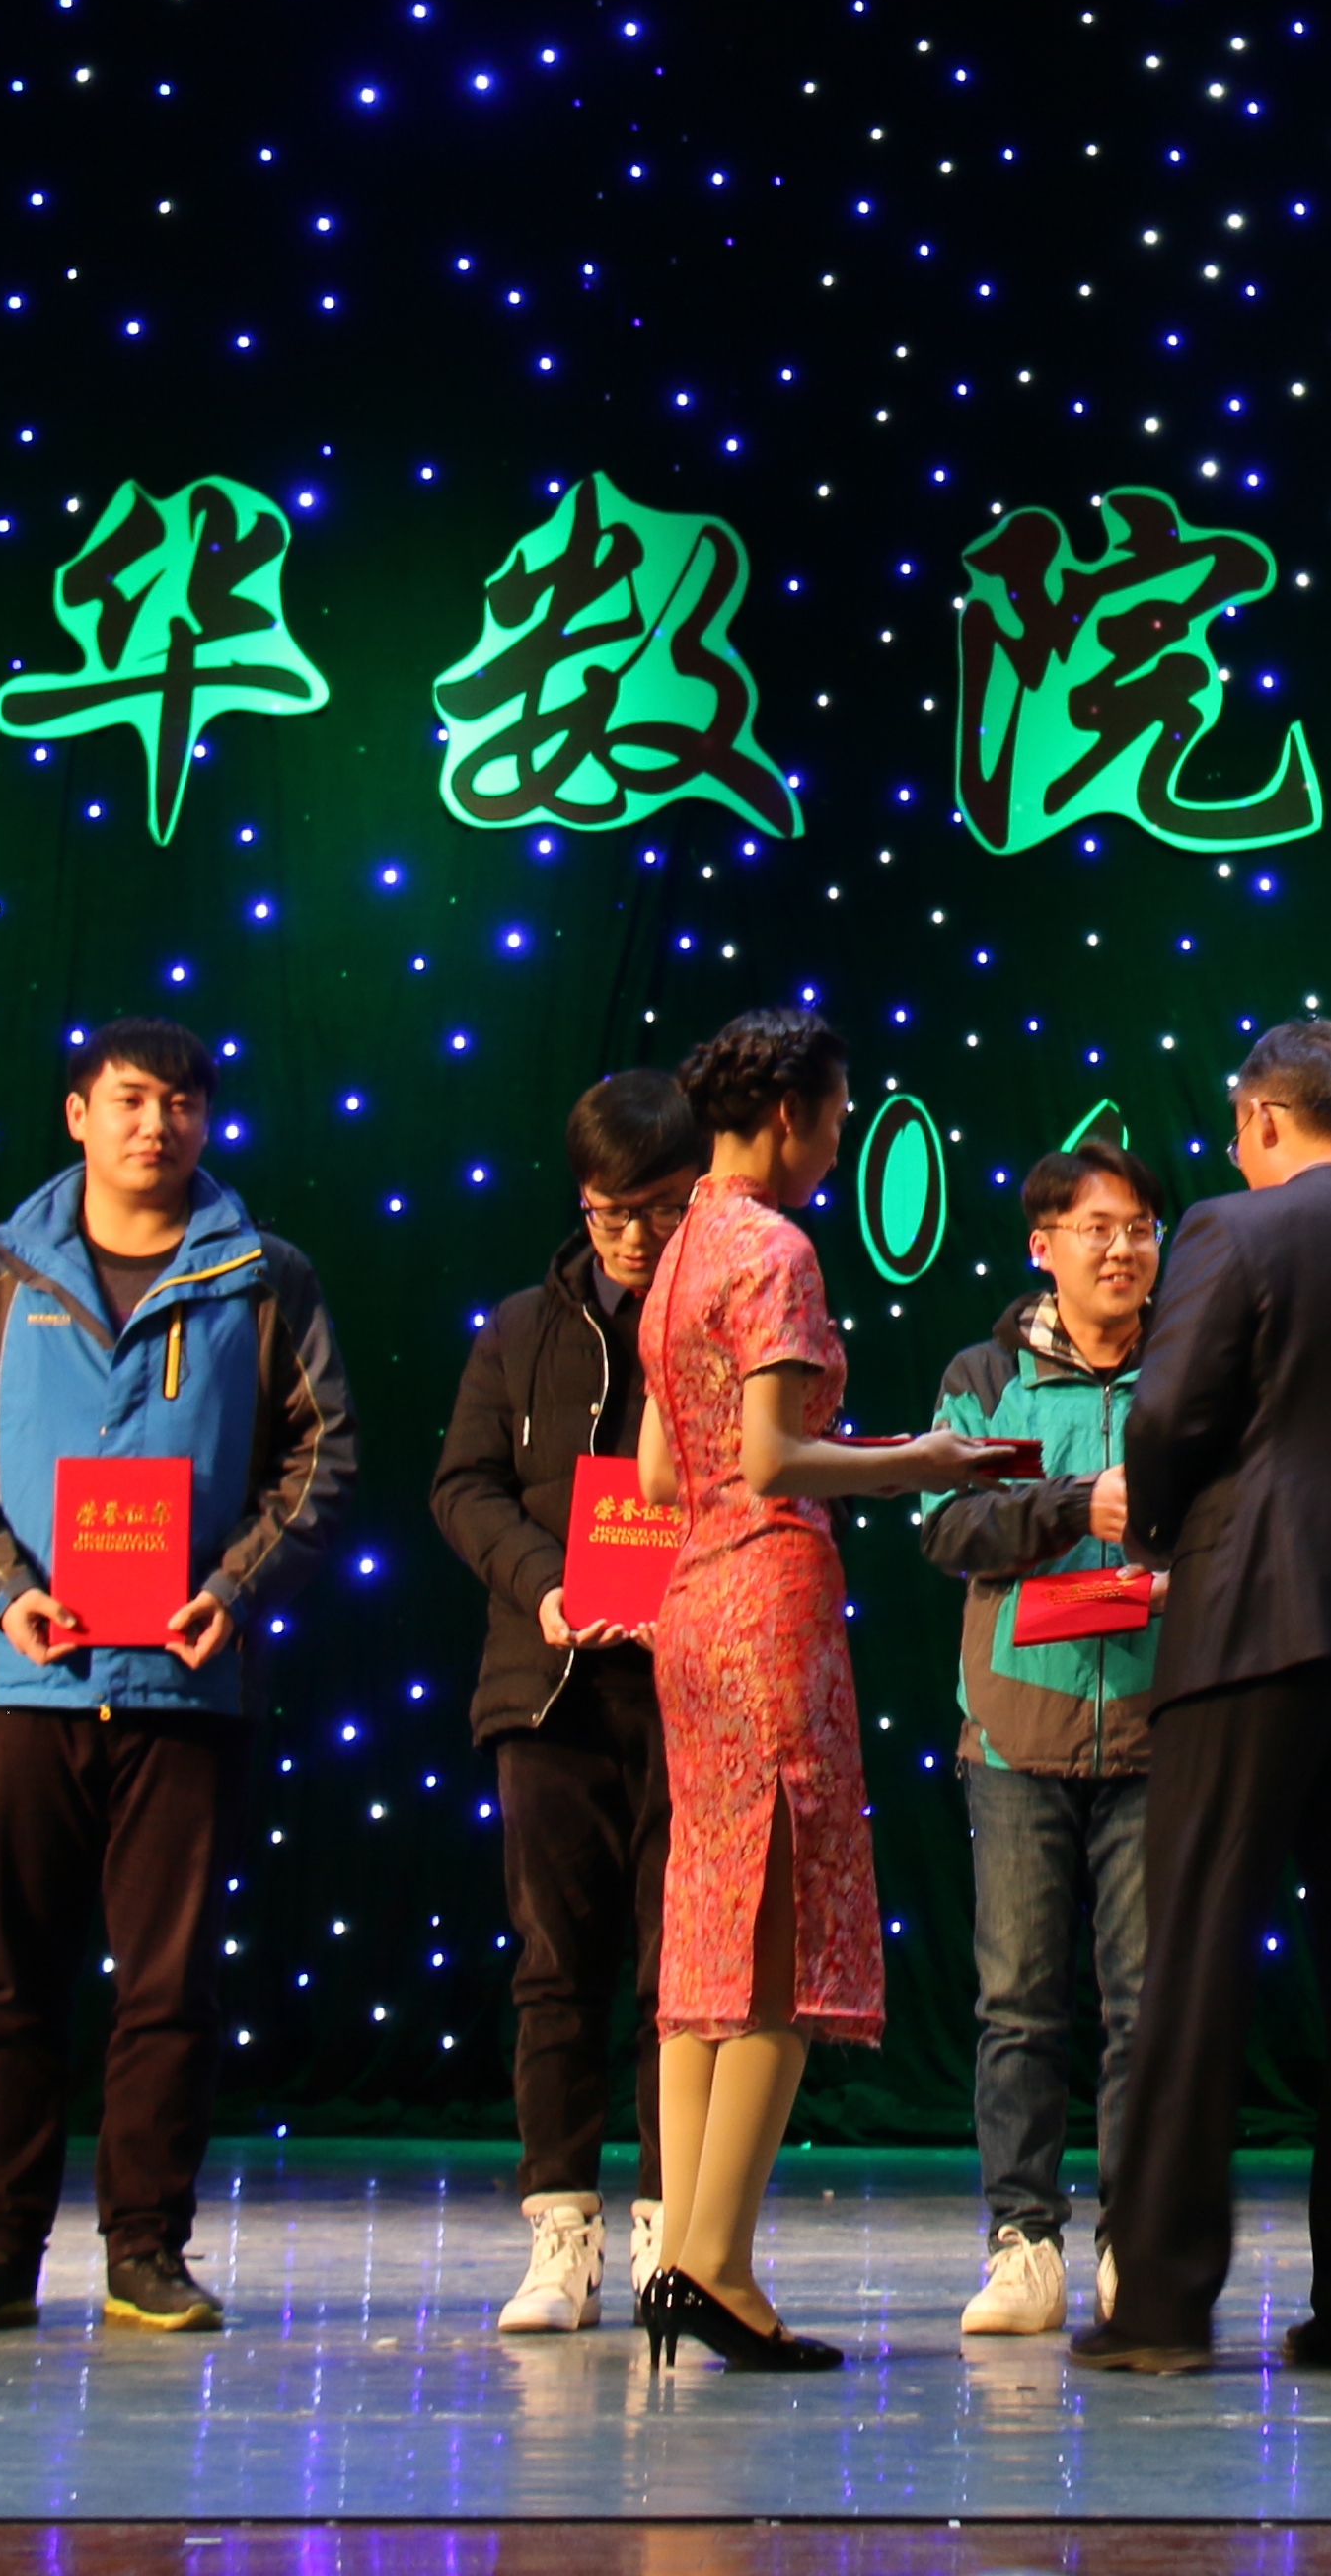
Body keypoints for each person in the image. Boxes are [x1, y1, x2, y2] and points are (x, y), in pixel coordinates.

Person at [0, 1016, 356, 2339]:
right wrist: (5, 1595)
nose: (159, 1124)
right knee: (9, 1979)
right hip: (26, 1681)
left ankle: (147, 2247)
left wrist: (235, 1590)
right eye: (133, 1099)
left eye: (185, 1102)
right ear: (78, 1115)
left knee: (168, 1985)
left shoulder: (267, 1276)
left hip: (187, 1687)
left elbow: (322, 1460)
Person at [1067, 1017, 1331, 2377]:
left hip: (1252, 1614)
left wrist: (1156, 1529)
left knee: (1194, 1956)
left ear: (1260, 1120)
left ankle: (1161, 2305)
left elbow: (1167, 1415)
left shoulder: (1230, 1230)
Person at [635, 1006, 1009, 2370]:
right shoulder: (774, 1249)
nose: (841, 1144)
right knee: (784, 1934)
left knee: (709, 1935)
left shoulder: (679, 1248)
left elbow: (664, 1472)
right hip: (767, 1598)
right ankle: (717, 2267)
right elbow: (774, 1459)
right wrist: (923, 1460)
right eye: (840, 1119)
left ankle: (685, 2254)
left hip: (687, 1599)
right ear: (792, 1114)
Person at [430, 1068, 709, 2337]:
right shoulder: (517, 1330)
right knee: (554, 1963)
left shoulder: (729, 1323)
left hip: (691, 1686)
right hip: (547, 1688)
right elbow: (463, 1487)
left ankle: (667, 2229)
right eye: (613, 1213)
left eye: (663, 1208)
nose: (637, 1237)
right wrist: (544, 1584)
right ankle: (560, 2231)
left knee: (679, 1974)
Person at [916, 1138, 1175, 2337]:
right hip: (1016, 1736)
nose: (1121, 1249)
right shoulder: (985, 1375)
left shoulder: (1193, 1368)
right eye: (1095, 1228)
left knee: (1147, 2007)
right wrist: (1078, 1505)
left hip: (1160, 1733)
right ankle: (1023, 2242)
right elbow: (946, 1525)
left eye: (1139, 1228)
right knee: (1018, 2005)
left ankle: (1137, 2241)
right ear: (1043, 1246)